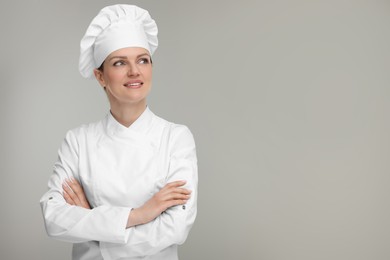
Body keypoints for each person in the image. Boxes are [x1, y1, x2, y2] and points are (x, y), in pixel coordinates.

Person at [39, 4, 198, 260]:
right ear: (100, 76)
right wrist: (140, 214)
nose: (134, 71)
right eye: (120, 62)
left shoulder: (176, 138)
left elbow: (176, 227)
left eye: (142, 60)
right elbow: (54, 217)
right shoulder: (79, 141)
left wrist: (93, 226)